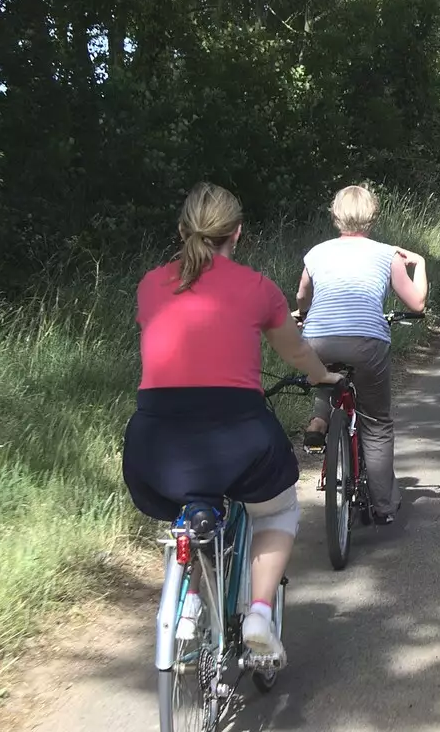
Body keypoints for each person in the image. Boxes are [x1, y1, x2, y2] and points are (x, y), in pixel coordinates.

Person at [123, 182, 337, 666]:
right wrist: (320, 375)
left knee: (199, 502)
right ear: (236, 234)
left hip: (155, 442)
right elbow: (295, 350)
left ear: (182, 230)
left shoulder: (150, 284)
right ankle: (259, 612)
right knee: (276, 510)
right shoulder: (256, 287)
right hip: (237, 432)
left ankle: (191, 601)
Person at [296, 185, 428, 527]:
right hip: (366, 341)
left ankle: (319, 421)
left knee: (327, 370)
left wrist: (303, 314)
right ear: (373, 216)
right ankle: (384, 506)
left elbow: (302, 296)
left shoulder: (317, 253)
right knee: (377, 423)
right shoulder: (388, 255)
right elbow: (417, 304)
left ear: (335, 215)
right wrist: (420, 264)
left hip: (317, 338)